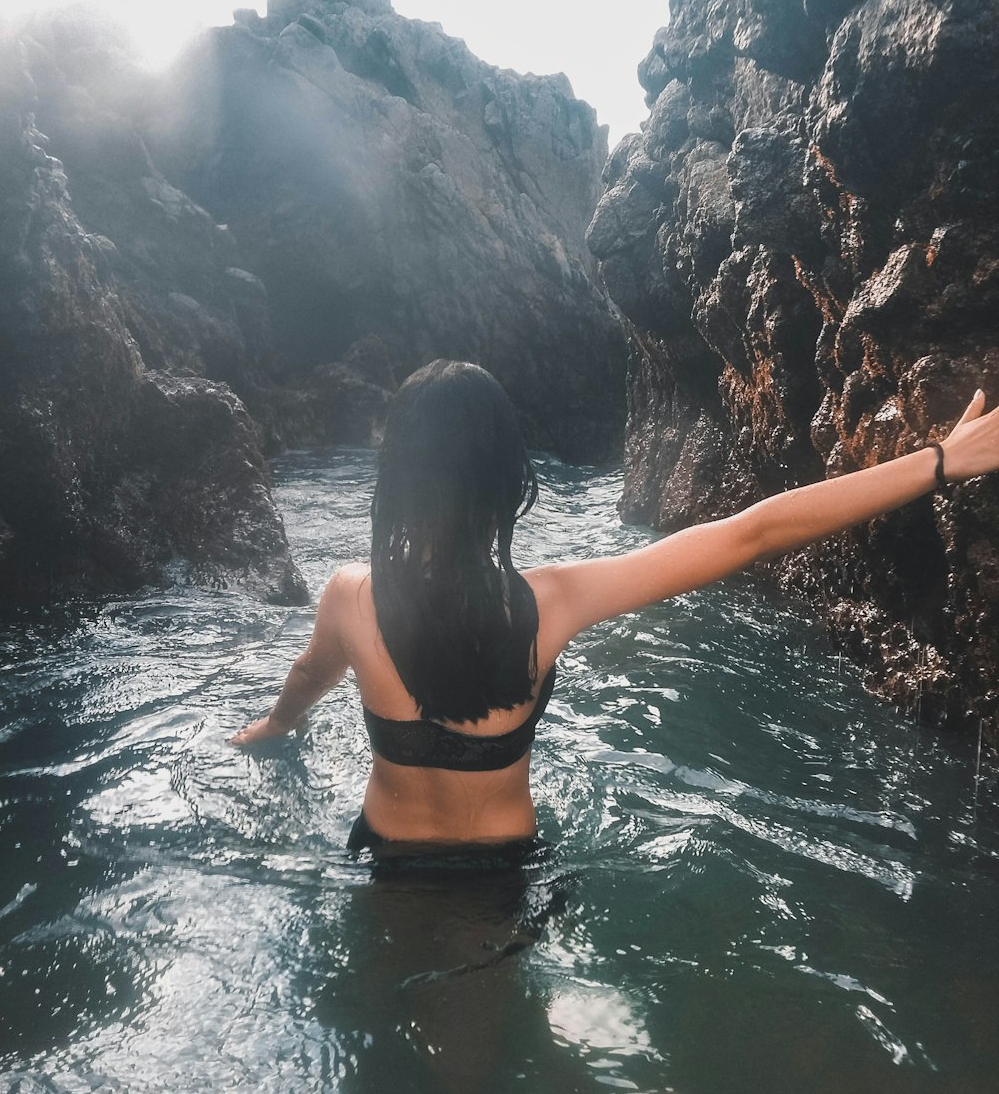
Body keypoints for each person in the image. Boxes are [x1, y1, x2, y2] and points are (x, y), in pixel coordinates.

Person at [231, 359, 999, 854]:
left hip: (381, 855)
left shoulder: (349, 599)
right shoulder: (553, 603)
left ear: (394, 470)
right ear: (506, 479)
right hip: (503, 874)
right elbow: (755, 532)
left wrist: (275, 726)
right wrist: (940, 461)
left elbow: (305, 678)